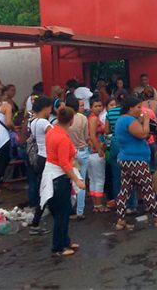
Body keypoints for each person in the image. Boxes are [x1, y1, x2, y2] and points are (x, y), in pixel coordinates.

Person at [113, 96, 157, 230]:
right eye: (138, 107)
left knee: (125, 190)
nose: (141, 110)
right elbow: (143, 134)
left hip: (126, 159)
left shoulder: (122, 120)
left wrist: (141, 120)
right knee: (147, 188)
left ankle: (120, 220)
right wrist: (146, 121)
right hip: (136, 160)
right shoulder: (128, 120)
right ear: (130, 108)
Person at [39, 107, 87, 257]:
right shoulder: (62, 138)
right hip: (59, 177)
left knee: (62, 212)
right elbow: (65, 164)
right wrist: (77, 180)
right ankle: (58, 246)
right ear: (71, 120)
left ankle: (64, 241)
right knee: (62, 213)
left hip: (51, 174)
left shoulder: (52, 132)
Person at [26, 96, 53, 235]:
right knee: (46, 191)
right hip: (48, 159)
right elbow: (54, 137)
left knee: (45, 190)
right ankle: (36, 223)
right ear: (46, 108)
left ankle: (36, 222)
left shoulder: (34, 121)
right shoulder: (43, 122)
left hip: (40, 158)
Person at [65, 98, 91, 220]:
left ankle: (70, 208)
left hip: (70, 153)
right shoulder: (83, 118)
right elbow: (86, 136)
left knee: (70, 182)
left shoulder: (64, 120)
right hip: (83, 151)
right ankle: (80, 211)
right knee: (81, 182)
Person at [86, 100, 108, 213]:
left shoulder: (90, 118)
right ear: (90, 107)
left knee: (93, 179)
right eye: (96, 106)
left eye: (100, 105)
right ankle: (99, 205)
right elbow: (93, 136)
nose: (99, 108)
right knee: (99, 179)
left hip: (90, 152)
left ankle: (96, 204)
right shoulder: (94, 119)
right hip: (96, 151)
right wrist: (99, 149)